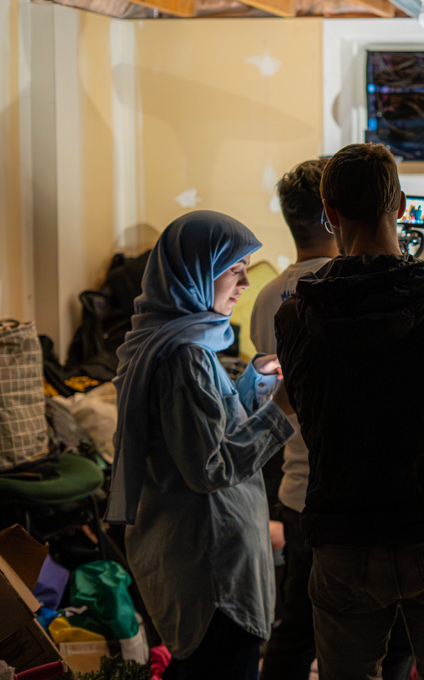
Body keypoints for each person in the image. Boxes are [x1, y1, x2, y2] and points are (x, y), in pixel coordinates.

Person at [275, 143, 424, 680]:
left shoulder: (295, 316)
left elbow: (310, 415)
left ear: (329, 212)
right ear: (401, 205)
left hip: (342, 534)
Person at [108, 210, 295, 680]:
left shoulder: (169, 341)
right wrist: (281, 411)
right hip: (214, 568)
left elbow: (203, 429)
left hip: (200, 557)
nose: (245, 284)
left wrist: (251, 384)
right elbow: (209, 468)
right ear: (196, 271)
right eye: (235, 269)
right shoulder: (185, 357)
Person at [251, 160, 414, 680]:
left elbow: (277, 396)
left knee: (298, 629)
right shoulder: (370, 289)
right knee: (395, 640)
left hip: (305, 491)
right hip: (390, 494)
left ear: (329, 212)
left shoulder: (270, 302)